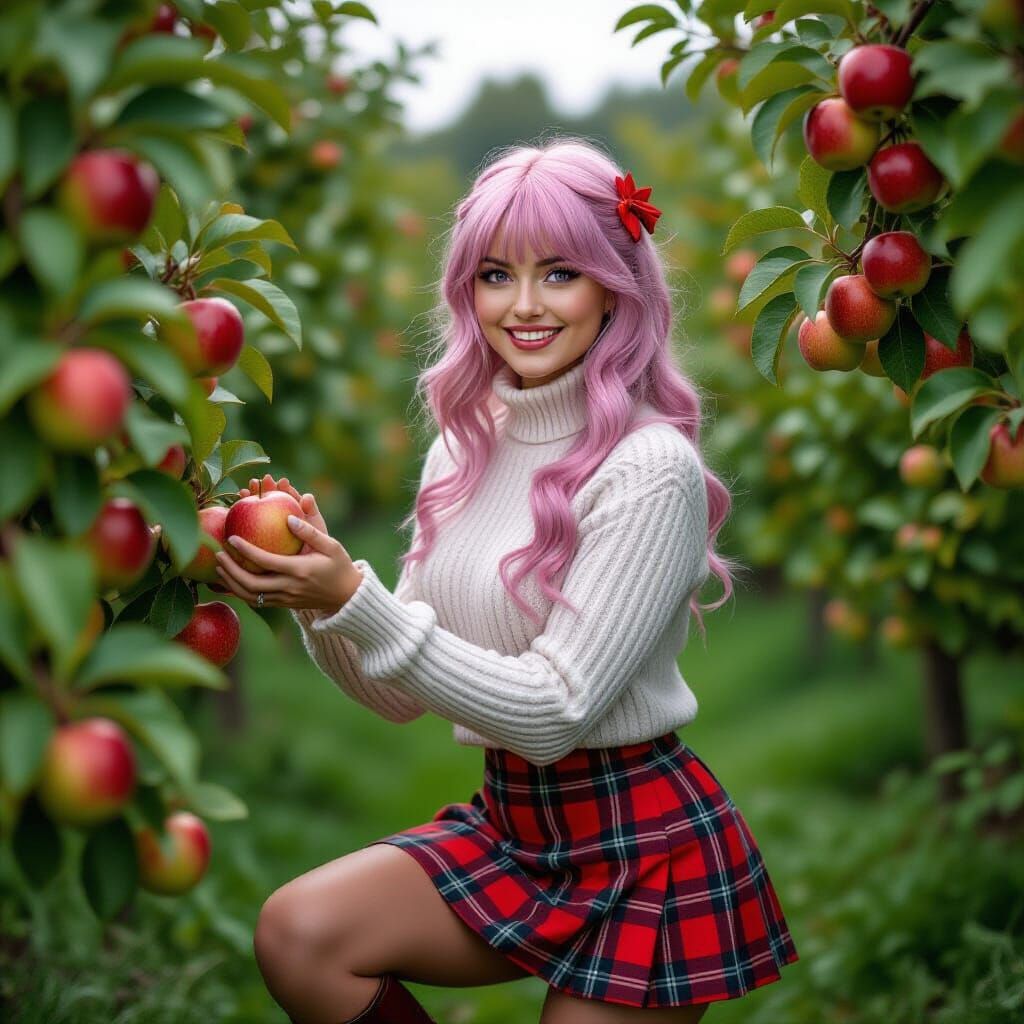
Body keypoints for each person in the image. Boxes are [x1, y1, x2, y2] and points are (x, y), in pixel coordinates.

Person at [213, 136, 799, 1024]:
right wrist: (319, 602)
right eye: (495, 275)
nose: (523, 306)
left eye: (558, 273)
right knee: (301, 933)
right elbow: (401, 696)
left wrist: (356, 603)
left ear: (615, 286)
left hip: (642, 841)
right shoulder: (465, 444)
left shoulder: (649, 468)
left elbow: (555, 713)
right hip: (515, 825)